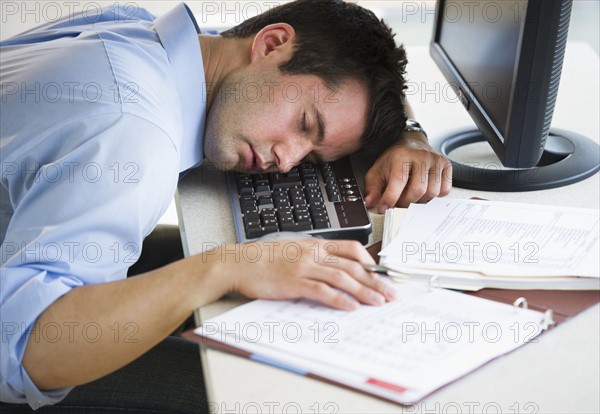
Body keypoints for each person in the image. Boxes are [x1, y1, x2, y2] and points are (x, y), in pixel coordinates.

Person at [0, 0, 451, 412]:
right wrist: (224, 267)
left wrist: (406, 132)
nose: (286, 159)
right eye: (305, 124)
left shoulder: (139, 36)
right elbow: (23, 353)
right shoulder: (132, 133)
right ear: (272, 43)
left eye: (312, 156)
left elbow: (355, 75)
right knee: (255, 390)